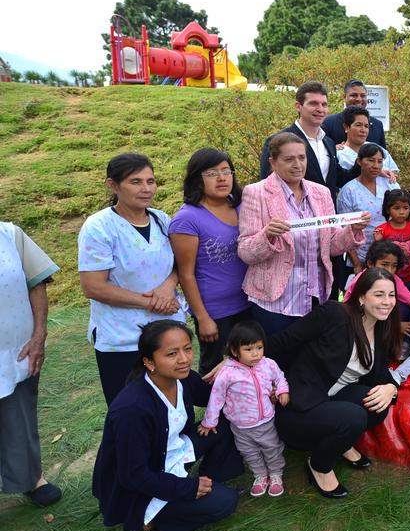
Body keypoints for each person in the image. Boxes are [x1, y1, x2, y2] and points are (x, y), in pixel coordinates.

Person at [92, 320, 243, 531]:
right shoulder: (132, 410)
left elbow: (214, 399)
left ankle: (213, 479)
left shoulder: (182, 378)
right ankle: (149, 524)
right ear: (149, 361)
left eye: (188, 349)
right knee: (226, 503)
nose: (184, 359)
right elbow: (133, 476)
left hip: (172, 453)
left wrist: (240, 374)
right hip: (141, 485)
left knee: (227, 420)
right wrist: (188, 487)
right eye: (172, 353)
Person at [266, 268, 401, 499]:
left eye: (391, 295)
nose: (387, 302)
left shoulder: (380, 330)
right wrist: (236, 361)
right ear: (361, 296)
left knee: (377, 404)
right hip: (299, 408)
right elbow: (284, 341)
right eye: (379, 294)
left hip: (331, 400)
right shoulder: (334, 314)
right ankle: (319, 465)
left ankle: (340, 441)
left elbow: (380, 377)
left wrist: (391, 389)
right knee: (354, 416)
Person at [79, 153, 186, 405]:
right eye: (136, 182)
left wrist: (168, 287)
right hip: (122, 336)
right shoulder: (99, 227)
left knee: (172, 403)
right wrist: (151, 302)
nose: (146, 188)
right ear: (113, 185)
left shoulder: (162, 219)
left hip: (166, 331)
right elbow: (93, 286)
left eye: (151, 181)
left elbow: (180, 263)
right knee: (130, 408)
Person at [239, 132, 366, 336]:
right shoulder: (256, 193)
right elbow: (245, 251)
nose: (298, 164)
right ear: (273, 162)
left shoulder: (321, 193)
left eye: (302, 157)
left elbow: (331, 245)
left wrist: (353, 230)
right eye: (289, 159)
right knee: (278, 361)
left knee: (309, 361)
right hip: (274, 300)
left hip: (315, 296)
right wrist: (267, 236)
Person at [170, 148, 251, 374]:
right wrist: (203, 317)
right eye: (212, 173)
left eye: (227, 171)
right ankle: (212, 409)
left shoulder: (242, 205)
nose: (222, 178)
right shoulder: (187, 219)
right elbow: (185, 274)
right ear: (197, 178)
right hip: (216, 310)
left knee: (249, 362)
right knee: (216, 369)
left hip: (251, 301)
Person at [0, 222, 61, 507]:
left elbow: (36, 282)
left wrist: (39, 334)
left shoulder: (9, 234)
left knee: (19, 413)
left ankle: (30, 478)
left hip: (16, 348)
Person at [199, 321, 288, 498]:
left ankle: (276, 474)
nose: (255, 354)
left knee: (272, 448)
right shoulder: (227, 373)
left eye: (259, 347)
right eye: (248, 349)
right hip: (240, 427)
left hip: (266, 421)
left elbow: (279, 377)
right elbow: (216, 398)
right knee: (249, 452)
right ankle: (260, 475)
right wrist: (209, 421)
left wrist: (282, 390)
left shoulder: (268, 364)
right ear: (234, 351)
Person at [259, 81, 356, 200]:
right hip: (292, 215)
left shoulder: (329, 143)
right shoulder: (277, 141)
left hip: (327, 214)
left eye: (324, 104)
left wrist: (366, 163)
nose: (320, 109)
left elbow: (338, 178)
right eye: (313, 104)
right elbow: (267, 185)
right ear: (298, 106)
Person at [336, 143, 399, 274]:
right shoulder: (348, 190)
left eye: (380, 161)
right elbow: (345, 229)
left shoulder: (390, 184)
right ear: (359, 161)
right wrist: (357, 263)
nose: (376, 165)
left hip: (389, 255)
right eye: (370, 160)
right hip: (360, 255)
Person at [335, 105, 399, 181]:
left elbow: (395, 171)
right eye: (358, 125)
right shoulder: (338, 154)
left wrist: (392, 175)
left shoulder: (377, 148)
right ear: (346, 127)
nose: (363, 130)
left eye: (366, 126)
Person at [375, 189, 410, 288]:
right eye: (397, 208)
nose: (401, 212)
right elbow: (377, 254)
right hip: (388, 277)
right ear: (388, 209)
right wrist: (377, 241)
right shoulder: (381, 230)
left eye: (405, 208)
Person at [321, 79, 387, 148]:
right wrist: (333, 150)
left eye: (363, 96)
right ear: (344, 97)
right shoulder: (329, 123)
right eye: (354, 95)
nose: (359, 99)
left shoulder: (377, 125)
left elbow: (383, 155)